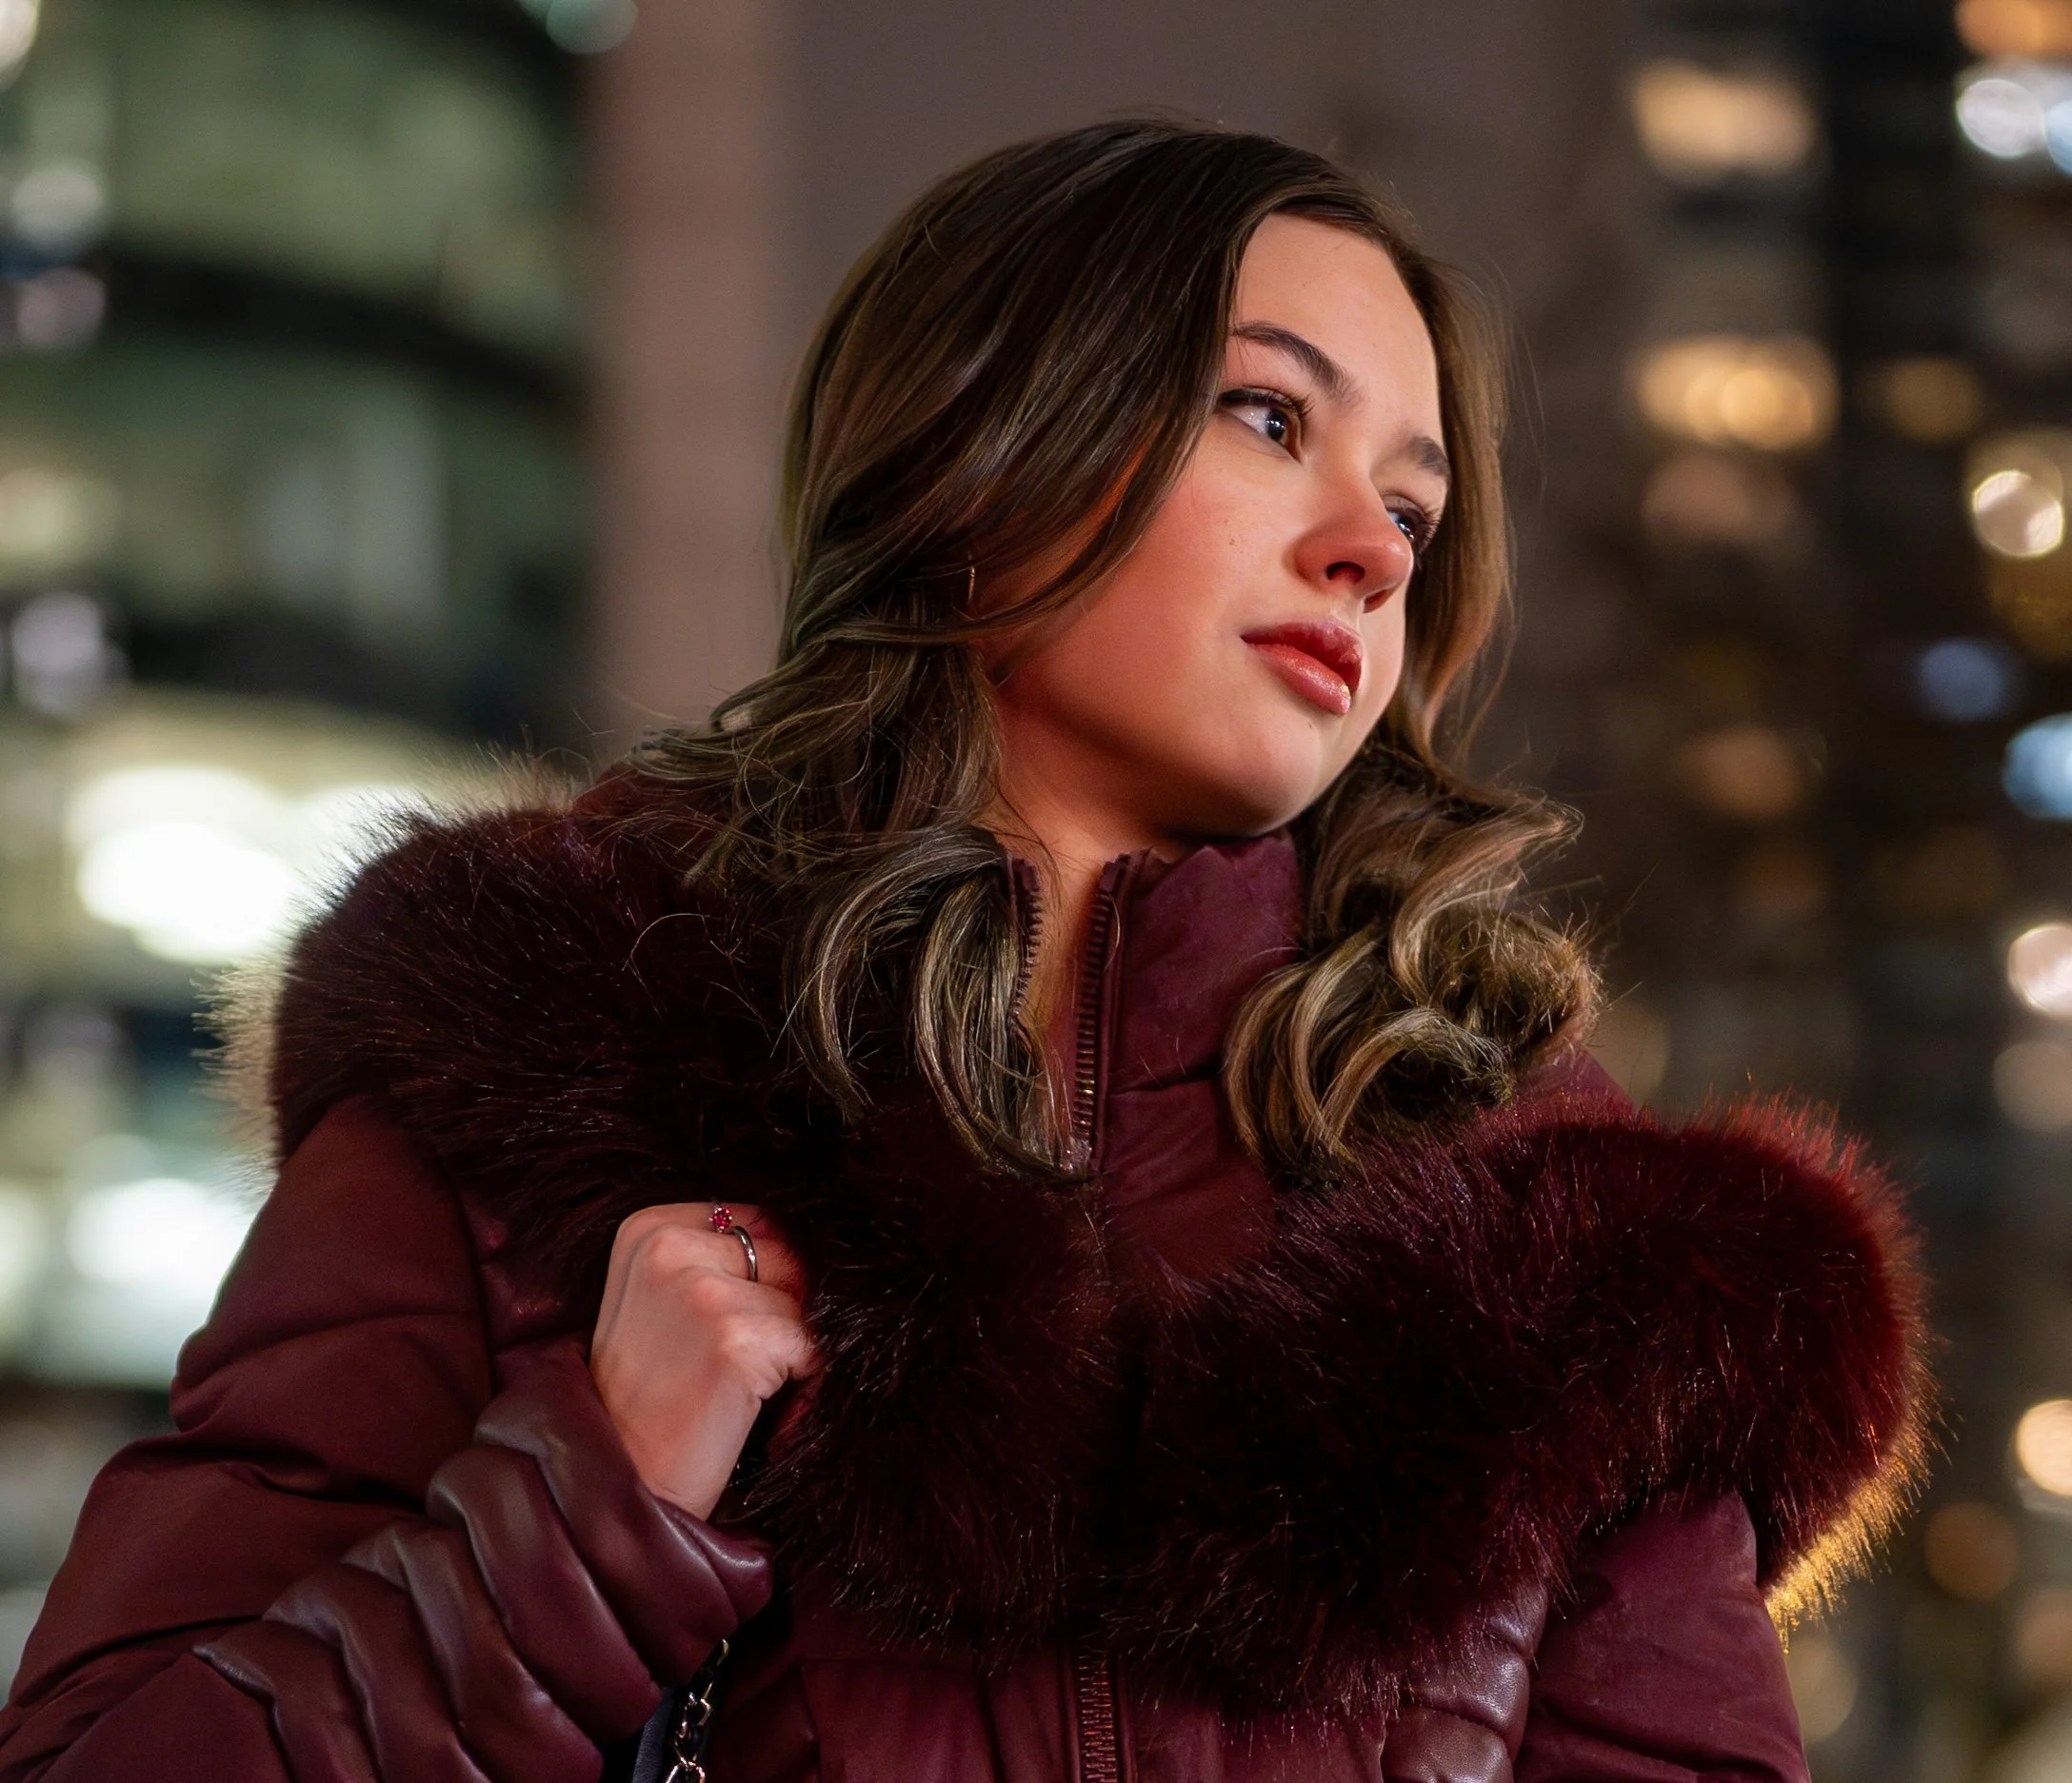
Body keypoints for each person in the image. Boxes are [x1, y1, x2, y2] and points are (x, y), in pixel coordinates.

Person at [0, 119, 1925, 1783]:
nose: (1371, 549)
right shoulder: (550, 1062)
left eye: (1414, 506)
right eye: (1268, 417)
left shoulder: (1547, 1238)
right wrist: (592, 1505)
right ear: (984, 442)